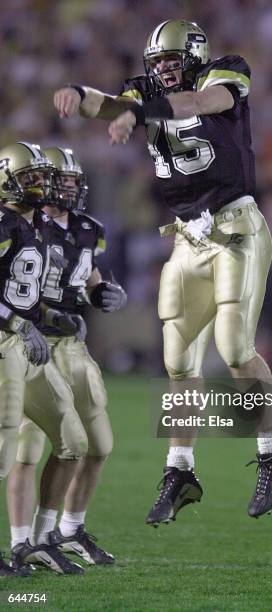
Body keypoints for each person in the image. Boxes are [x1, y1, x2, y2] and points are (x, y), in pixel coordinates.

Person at [54, 19, 272, 526]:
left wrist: (135, 112)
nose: (163, 69)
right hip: (186, 234)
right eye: (157, 63)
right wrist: (83, 94)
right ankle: (179, 469)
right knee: (179, 363)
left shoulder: (225, 73)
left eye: (171, 60)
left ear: (194, 56)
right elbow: (110, 104)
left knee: (233, 350)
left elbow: (200, 105)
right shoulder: (143, 92)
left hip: (237, 225)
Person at [8, 146, 127, 571]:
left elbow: (88, 274)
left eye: (76, 181)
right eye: (65, 180)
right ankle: (26, 540)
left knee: (96, 445)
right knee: (25, 449)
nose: (71, 188)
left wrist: (102, 293)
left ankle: (67, 530)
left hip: (69, 343)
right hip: (33, 340)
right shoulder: (27, 223)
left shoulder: (87, 228)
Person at [0, 142, 88, 575]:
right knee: (3, 450)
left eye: (42, 176)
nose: (42, 183)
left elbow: (27, 296)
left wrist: (55, 316)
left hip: (27, 344)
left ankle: (34, 541)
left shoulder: (35, 225)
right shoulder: (3, 222)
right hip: (3, 344)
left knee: (74, 442)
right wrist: (17, 324)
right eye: (31, 176)